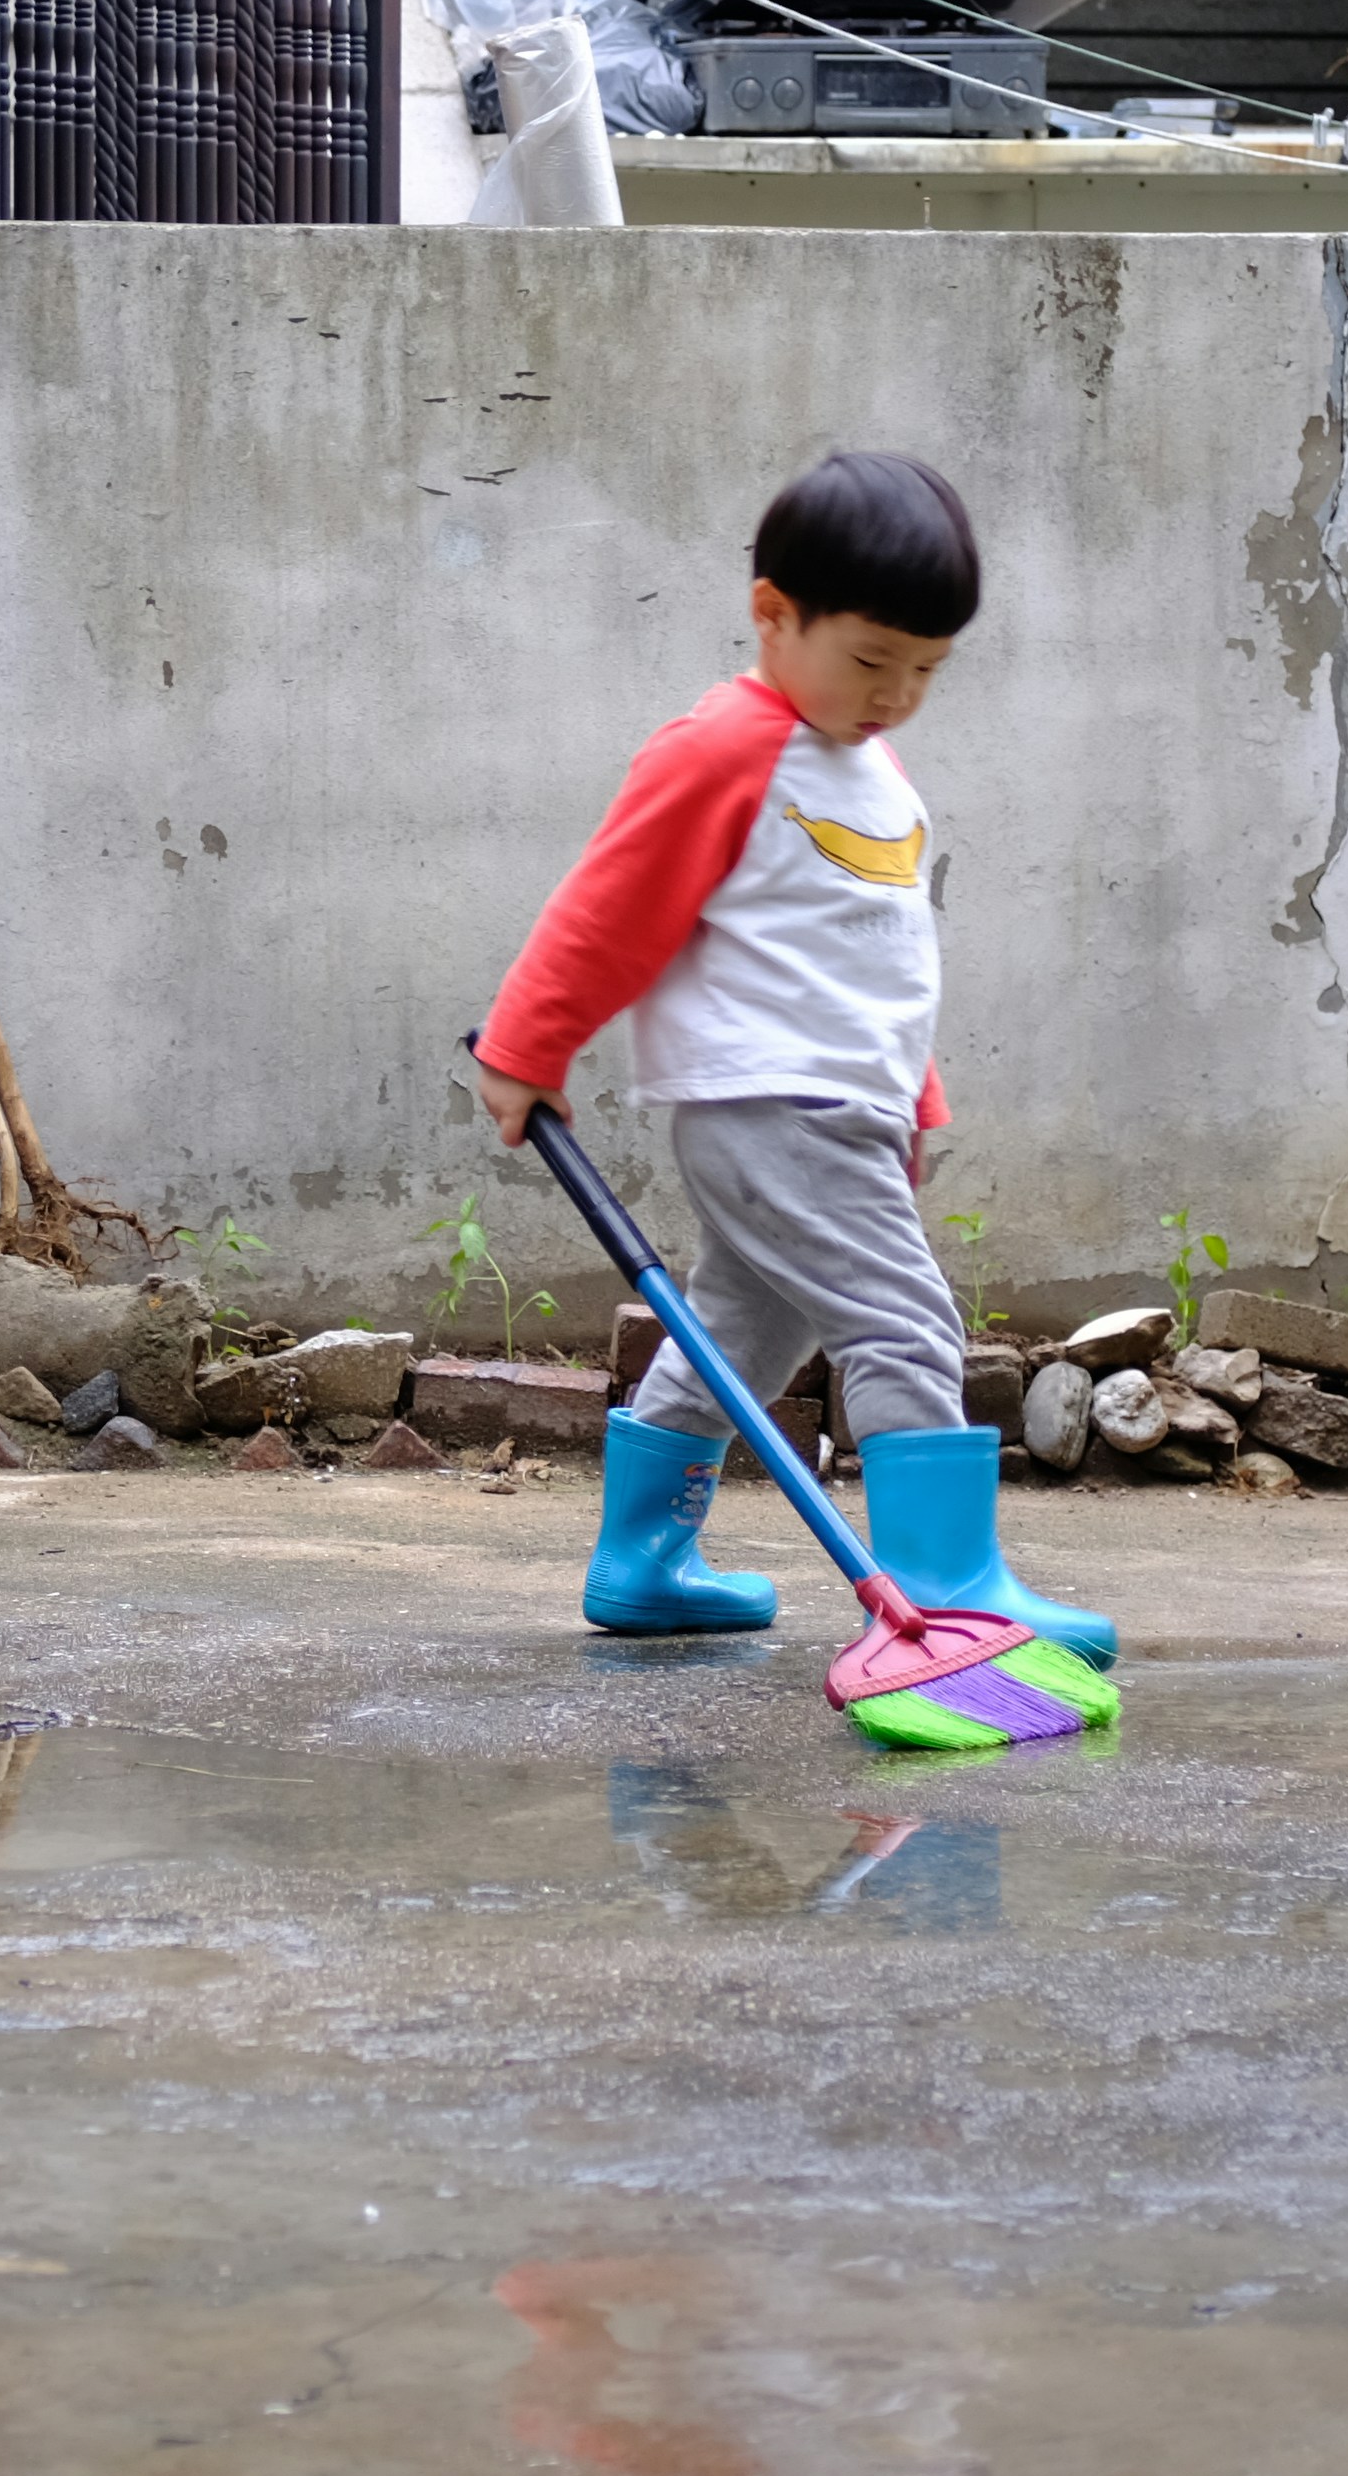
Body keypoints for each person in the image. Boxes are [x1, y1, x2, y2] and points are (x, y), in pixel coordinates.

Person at [468, 449, 1109, 1660]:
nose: (896, 693)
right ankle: (955, 1586)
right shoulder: (724, 747)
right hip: (771, 1102)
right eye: (871, 660)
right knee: (906, 1323)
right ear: (774, 613)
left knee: (746, 1331)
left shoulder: (872, 770)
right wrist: (527, 1043)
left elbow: (880, 950)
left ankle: (643, 1558)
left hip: (835, 1102)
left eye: (926, 670)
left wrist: (908, 1097)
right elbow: (612, 902)